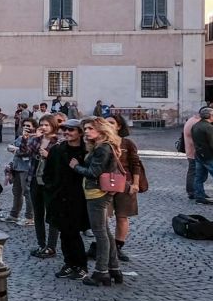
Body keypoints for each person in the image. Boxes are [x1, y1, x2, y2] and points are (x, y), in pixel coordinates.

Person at [69, 117, 124, 286]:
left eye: (90, 129)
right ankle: (114, 269)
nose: (86, 132)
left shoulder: (103, 148)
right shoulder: (103, 146)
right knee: (105, 231)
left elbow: (94, 172)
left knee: (100, 233)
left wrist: (75, 166)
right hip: (99, 192)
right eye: (85, 128)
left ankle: (101, 271)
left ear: (101, 130)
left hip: (97, 192)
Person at [44, 120, 89, 280]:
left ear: (80, 132)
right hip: (58, 196)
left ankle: (81, 265)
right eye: (65, 129)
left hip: (78, 198)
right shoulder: (57, 149)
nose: (67, 132)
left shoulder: (86, 151)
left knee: (74, 232)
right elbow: (47, 172)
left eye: (71, 130)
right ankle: (69, 263)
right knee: (64, 232)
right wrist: (51, 190)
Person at [110, 114, 146, 263]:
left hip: (126, 182)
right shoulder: (100, 142)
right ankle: (105, 245)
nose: (108, 125)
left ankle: (118, 246)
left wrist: (135, 184)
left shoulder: (127, 143)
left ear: (119, 126)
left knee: (122, 216)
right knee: (102, 218)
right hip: (105, 183)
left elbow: (135, 164)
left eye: (112, 123)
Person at [28, 115, 61, 258]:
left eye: (46, 125)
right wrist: (34, 138)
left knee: (52, 214)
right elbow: (26, 151)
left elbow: (60, 163)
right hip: (35, 179)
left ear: (53, 126)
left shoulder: (58, 142)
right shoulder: (37, 140)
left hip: (50, 182)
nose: (43, 127)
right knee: (38, 213)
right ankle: (41, 244)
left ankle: (51, 246)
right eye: (41, 124)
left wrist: (49, 155)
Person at [5, 120, 36, 225]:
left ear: (34, 127)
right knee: (16, 192)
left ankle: (29, 217)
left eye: (28, 125)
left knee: (27, 193)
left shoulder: (34, 139)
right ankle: (14, 215)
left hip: (26, 168)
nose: (26, 127)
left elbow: (26, 153)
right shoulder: (20, 138)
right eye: (24, 125)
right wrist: (17, 149)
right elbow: (9, 147)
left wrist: (17, 150)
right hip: (17, 167)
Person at [182, 108, 201, 199]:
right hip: (193, 151)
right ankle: (192, 191)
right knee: (193, 171)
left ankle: (194, 190)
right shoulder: (196, 123)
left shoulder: (191, 120)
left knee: (193, 171)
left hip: (190, 150)